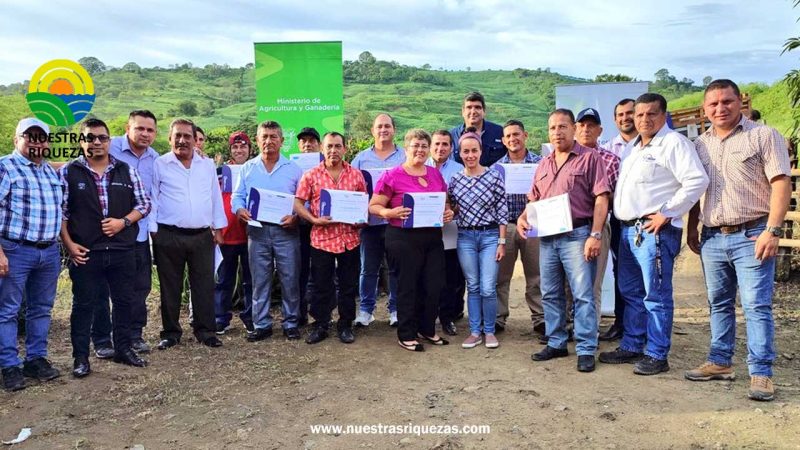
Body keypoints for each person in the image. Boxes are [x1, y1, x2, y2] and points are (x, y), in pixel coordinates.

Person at [686, 79, 792, 402]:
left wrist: (773, 230)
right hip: (713, 236)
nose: (720, 108)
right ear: (705, 109)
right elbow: (696, 189)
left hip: (752, 233)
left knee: (756, 305)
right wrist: (692, 228)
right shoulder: (699, 145)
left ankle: (761, 372)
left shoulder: (763, 136)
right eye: (713, 103)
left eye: (727, 101)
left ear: (740, 103)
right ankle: (720, 361)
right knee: (718, 303)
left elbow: (781, 183)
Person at [599, 93, 708, 375]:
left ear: (663, 115)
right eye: (640, 114)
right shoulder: (632, 148)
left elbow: (697, 180)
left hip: (654, 231)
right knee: (631, 292)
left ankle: (657, 353)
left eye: (651, 114)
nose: (644, 119)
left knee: (655, 295)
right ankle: (633, 344)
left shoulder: (674, 143)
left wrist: (667, 212)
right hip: (628, 230)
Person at [518, 109, 611, 373]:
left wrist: (595, 234)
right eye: (552, 128)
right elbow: (534, 199)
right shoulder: (544, 164)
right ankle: (557, 341)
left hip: (578, 236)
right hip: (547, 238)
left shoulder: (590, 158)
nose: (557, 132)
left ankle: (586, 347)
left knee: (582, 294)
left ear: (573, 129)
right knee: (550, 293)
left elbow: (602, 198)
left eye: (562, 126)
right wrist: (524, 217)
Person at [60, 118, 151, 377]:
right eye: (90, 138)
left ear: (110, 141)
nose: (96, 142)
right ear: (82, 141)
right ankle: (80, 358)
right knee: (83, 305)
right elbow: (62, 213)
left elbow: (144, 204)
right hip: (86, 252)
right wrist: (69, 245)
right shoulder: (69, 172)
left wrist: (124, 222)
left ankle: (123, 349)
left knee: (124, 302)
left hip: (122, 249)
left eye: (102, 137)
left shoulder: (126, 170)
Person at [369, 129, 455, 351]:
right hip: (402, 237)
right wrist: (389, 212)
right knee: (408, 286)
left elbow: (444, 202)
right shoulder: (392, 175)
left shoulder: (435, 174)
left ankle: (427, 329)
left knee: (433, 284)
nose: (420, 150)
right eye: (415, 145)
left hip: (432, 237)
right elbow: (374, 206)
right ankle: (406, 333)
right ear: (406, 149)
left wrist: (448, 212)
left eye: (424, 146)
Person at [150, 118, 227, 350]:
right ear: (169, 139)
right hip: (168, 234)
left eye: (187, 136)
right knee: (170, 286)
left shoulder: (206, 164)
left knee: (204, 285)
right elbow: (153, 198)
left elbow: (214, 195)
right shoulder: (160, 164)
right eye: (178, 136)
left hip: (202, 235)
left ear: (195, 140)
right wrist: (153, 232)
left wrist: (218, 228)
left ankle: (205, 331)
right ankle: (171, 333)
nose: (182, 140)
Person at [0, 118, 63, 392]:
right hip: (15, 250)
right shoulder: (5, 167)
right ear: (17, 139)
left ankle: (35, 359)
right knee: (8, 310)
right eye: (30, 137)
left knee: (41, 309)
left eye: (41, 138)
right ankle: (9, 366)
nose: (36, 142)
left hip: (48, 252)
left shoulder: (50, 172)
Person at [92, 110, 159, 358]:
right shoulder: (108, 147)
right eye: (139, 128)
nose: (145, 134)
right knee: (100, 290)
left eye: (150, 130)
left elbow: (149, 199)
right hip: (102, 234)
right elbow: (78, 168)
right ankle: (102, 339)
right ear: (127, 128)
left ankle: (133, 334)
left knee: (139, 288)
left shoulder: (155, 159)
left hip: (137, 235)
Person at [232, 121, 303, 341]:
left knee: (289, 278)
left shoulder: (294, 169)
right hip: (257, 232)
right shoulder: (248, 168)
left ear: (282, 141)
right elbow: (237, 196)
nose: (268, 141)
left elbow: (304, 201)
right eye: (264, 136)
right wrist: (240, 209)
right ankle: (261, 324)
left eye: (273, 136)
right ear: (257, 140)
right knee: (260, 280)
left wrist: (296, 217)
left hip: (286, 232)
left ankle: (291, 323)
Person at [295, 132, 367, 345]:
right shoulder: (310, 175)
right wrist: (313, 219)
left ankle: (345, 325)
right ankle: (321, 324)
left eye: (337, 146)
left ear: (345, 148)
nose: (333, 150)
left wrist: (360, 220)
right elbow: (298, 203)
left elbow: (363, 204)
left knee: (348, 285)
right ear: (322, 149)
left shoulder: (356, 175)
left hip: (349, 239)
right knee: (321, 285)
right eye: (329, 146)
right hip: (321, 239)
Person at [449, 129, 508, 349]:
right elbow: (452, 206)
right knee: (473, 286)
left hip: (490, 236)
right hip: (465, 236)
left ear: (481, 151)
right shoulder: (455, 180)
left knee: (488, 287)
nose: (470, 155)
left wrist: (502, 241)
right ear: (460, 153)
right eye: (466, 151)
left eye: (474, 150)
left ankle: (489, 331)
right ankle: (475, 331)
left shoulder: (494, 176)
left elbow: (502, 210)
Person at [350, 114, 405, 327]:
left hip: (397, 224)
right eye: (379, 126)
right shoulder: (360, 159)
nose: (383, 130)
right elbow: (352, 189)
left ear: (394, 129)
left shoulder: (405, 156)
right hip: (369, 224)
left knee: (395, 268)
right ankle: (366, 311)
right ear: (372, 130)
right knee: (368, 269)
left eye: (387, 126)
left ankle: (396, 310)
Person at [493, 120, 544, 337]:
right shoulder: (497, 168)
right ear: (504, 141)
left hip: (534, 225)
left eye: (516, 134)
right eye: (508, 136)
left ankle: (540, 318)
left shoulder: (541, 163)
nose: (513, 139)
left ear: (525, 136)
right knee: (501, 276)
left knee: (536, 274)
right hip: (507, 226)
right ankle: (498, 318)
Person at [574, 108, 620, 328]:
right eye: (582, 125)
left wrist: (593, 194)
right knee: (567, 283)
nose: (586, 129)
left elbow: (616, 196)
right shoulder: (563, 158)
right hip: (567, 226)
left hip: (596, 224)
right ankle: (569, 327)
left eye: (591, 125)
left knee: (592, 283)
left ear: (600, 131)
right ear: (575, 129)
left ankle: (589, 331)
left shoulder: (611, 160)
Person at [600, 99, 637, 342]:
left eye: (630, 113)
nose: (625, 118)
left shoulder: (650, 145)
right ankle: (621, 322)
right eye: (620, 114)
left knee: (642, 274)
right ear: (615, 120)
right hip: (615, 218)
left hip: (643, 219)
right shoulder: (607, 150)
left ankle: (640, 326)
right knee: (620, 270)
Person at [214, 131, 254, 334]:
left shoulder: (256, 169)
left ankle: (250, 317)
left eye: (243, 146)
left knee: (251, 280)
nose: (239, 150)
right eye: (235, 147)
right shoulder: (220, 172)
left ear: (250, 149)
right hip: (226, 234)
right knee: (223, 280)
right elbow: (211, 198)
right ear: (230, 150)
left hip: (250, 235)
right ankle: (221, 318)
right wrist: (215, 228)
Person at [426, 130, 464, 336]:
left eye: (445, 144)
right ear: (430, 146)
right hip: (424, 232)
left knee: (450, 276)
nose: (440, 148)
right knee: (427, 276)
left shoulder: (459, 169)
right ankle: (427, 316)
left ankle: (448, 317)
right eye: (437, 144)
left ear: (451, 148)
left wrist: (452, 211)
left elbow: (462, 200)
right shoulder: (420, 166)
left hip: (450, 230)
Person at [296, 127, 322, 326]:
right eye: (303, 141)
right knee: (301, 270)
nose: (307, 144)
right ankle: (300, 314)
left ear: (319, 145)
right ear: (298, 145)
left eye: (312, 141)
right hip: (299, 225)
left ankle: (320, 315)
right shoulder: (291, 165)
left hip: (323, 227)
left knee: (321, 271)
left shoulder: (328, 165)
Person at [450, 92, 506, 166]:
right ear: (463, 112)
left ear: (484, 111)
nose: (473, 111)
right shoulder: (452, 136)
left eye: (477, 107)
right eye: (469, 107)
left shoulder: (499, 132)